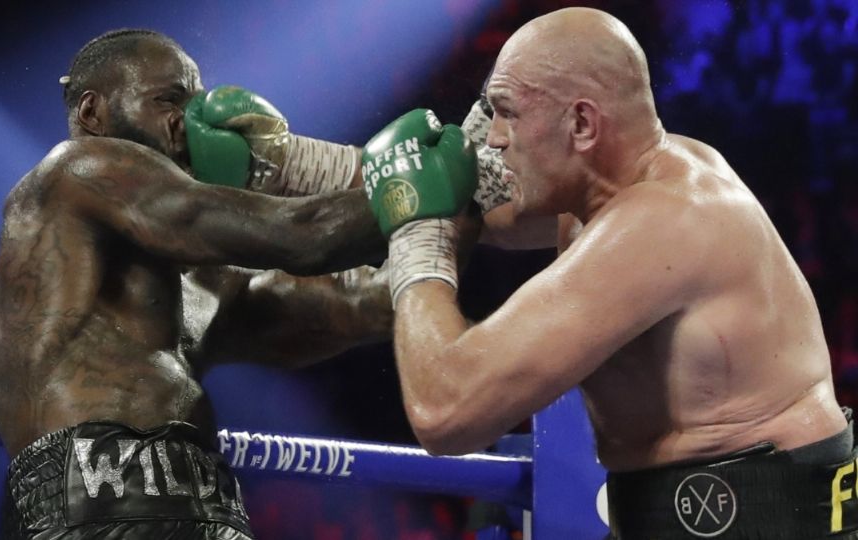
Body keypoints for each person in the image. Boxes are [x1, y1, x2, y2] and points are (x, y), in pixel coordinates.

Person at [362, 7, 858, 539]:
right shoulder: (606, 190)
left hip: (761, 520)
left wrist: (417, 240)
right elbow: (466, 207)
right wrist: (298, 164)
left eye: (507, 113)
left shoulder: (665, 219)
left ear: (581, 124)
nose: (495, 137)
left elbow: (445, 409)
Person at [0, 28, 392, 540]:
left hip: (206, 505)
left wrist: (474, 200)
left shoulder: (205, 276)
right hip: (92, 501)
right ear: (93, 114)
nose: (192, 123)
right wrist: (402, 177)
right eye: (169, 100)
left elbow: (371, 303)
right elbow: (297, 235)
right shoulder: (76, 168)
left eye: (197, 104)